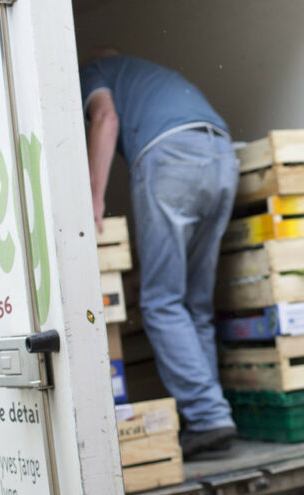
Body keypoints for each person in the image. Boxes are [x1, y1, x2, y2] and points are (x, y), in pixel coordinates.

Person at [80, 50, 239, 458]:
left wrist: (93, 200)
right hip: (221, 155)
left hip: (171, 158)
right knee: (193, 304)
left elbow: (105, 119)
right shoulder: (152, 73)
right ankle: (209, 416)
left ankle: (207, 417)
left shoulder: (95, 72)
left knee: (161, 302)